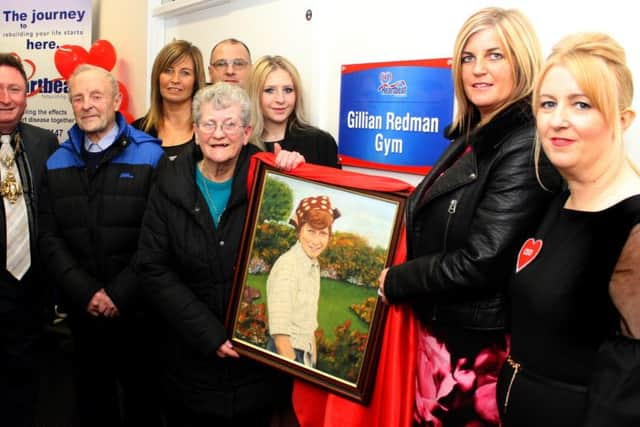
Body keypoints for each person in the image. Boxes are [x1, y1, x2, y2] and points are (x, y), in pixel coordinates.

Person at [377, 7, 560, 426]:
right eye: (468, 57)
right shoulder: (471, 134)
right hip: (444, 336)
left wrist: (398, 280)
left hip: (476, 354)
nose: (478, 69)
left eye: (495, 55)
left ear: (522, 61)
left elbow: (484, 260)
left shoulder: (524, 143)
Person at [136, 82, 302, 426]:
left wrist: (297, 174)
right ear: (195, 132)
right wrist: (208, 334)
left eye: (230, 124)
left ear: (246, 132)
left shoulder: (270, 180)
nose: (219, 134)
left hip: (255, 372)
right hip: (188, 366)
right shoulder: (167, 185)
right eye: (209, 124)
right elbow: (153, 268)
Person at [496, 32, 640, 427]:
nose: (558, 119)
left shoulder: (633, 229)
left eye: (581, 104)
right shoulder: (558, 200)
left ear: (623, 120)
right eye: (548, 104)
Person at [39, 64, 165, 427]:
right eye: (78, 97)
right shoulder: (56, 161)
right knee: (92, 405)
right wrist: (85, 292)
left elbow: (156, 237)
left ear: (117, 100)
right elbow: (49, 236)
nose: (87, 105)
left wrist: (119, 293)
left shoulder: (150, 156)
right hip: (83, 314)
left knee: (142, 406)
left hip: (138, 312)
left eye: (96, 96)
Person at [0, 53, 58, 427]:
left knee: (25, 387)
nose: (5, 97)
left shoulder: (44, 143)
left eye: (14, 89)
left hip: (29, 290)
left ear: (28, 94)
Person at [266, 195, 340, 368]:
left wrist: (312, 365)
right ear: (299, 231)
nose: (316, 240)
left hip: (303, 355)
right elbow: (280, 335)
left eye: (323, 233)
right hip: (285, 355)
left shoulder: (312, 265)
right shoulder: (288, 266)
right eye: (311, 231)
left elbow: (309, 326)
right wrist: (296, 370)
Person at [248, 55, 340, 168]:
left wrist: (303, 172)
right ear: (254, 94)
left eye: (288, 90)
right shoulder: (241, 143)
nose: (280, 99)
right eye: (269, 90)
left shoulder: (321, 142)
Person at [132, 40, 206, 160]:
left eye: (185, 73)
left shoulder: (209, 131)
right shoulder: (136, 132)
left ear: (196, 81)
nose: (175, 79)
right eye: (168, 71)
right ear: (157, 77)